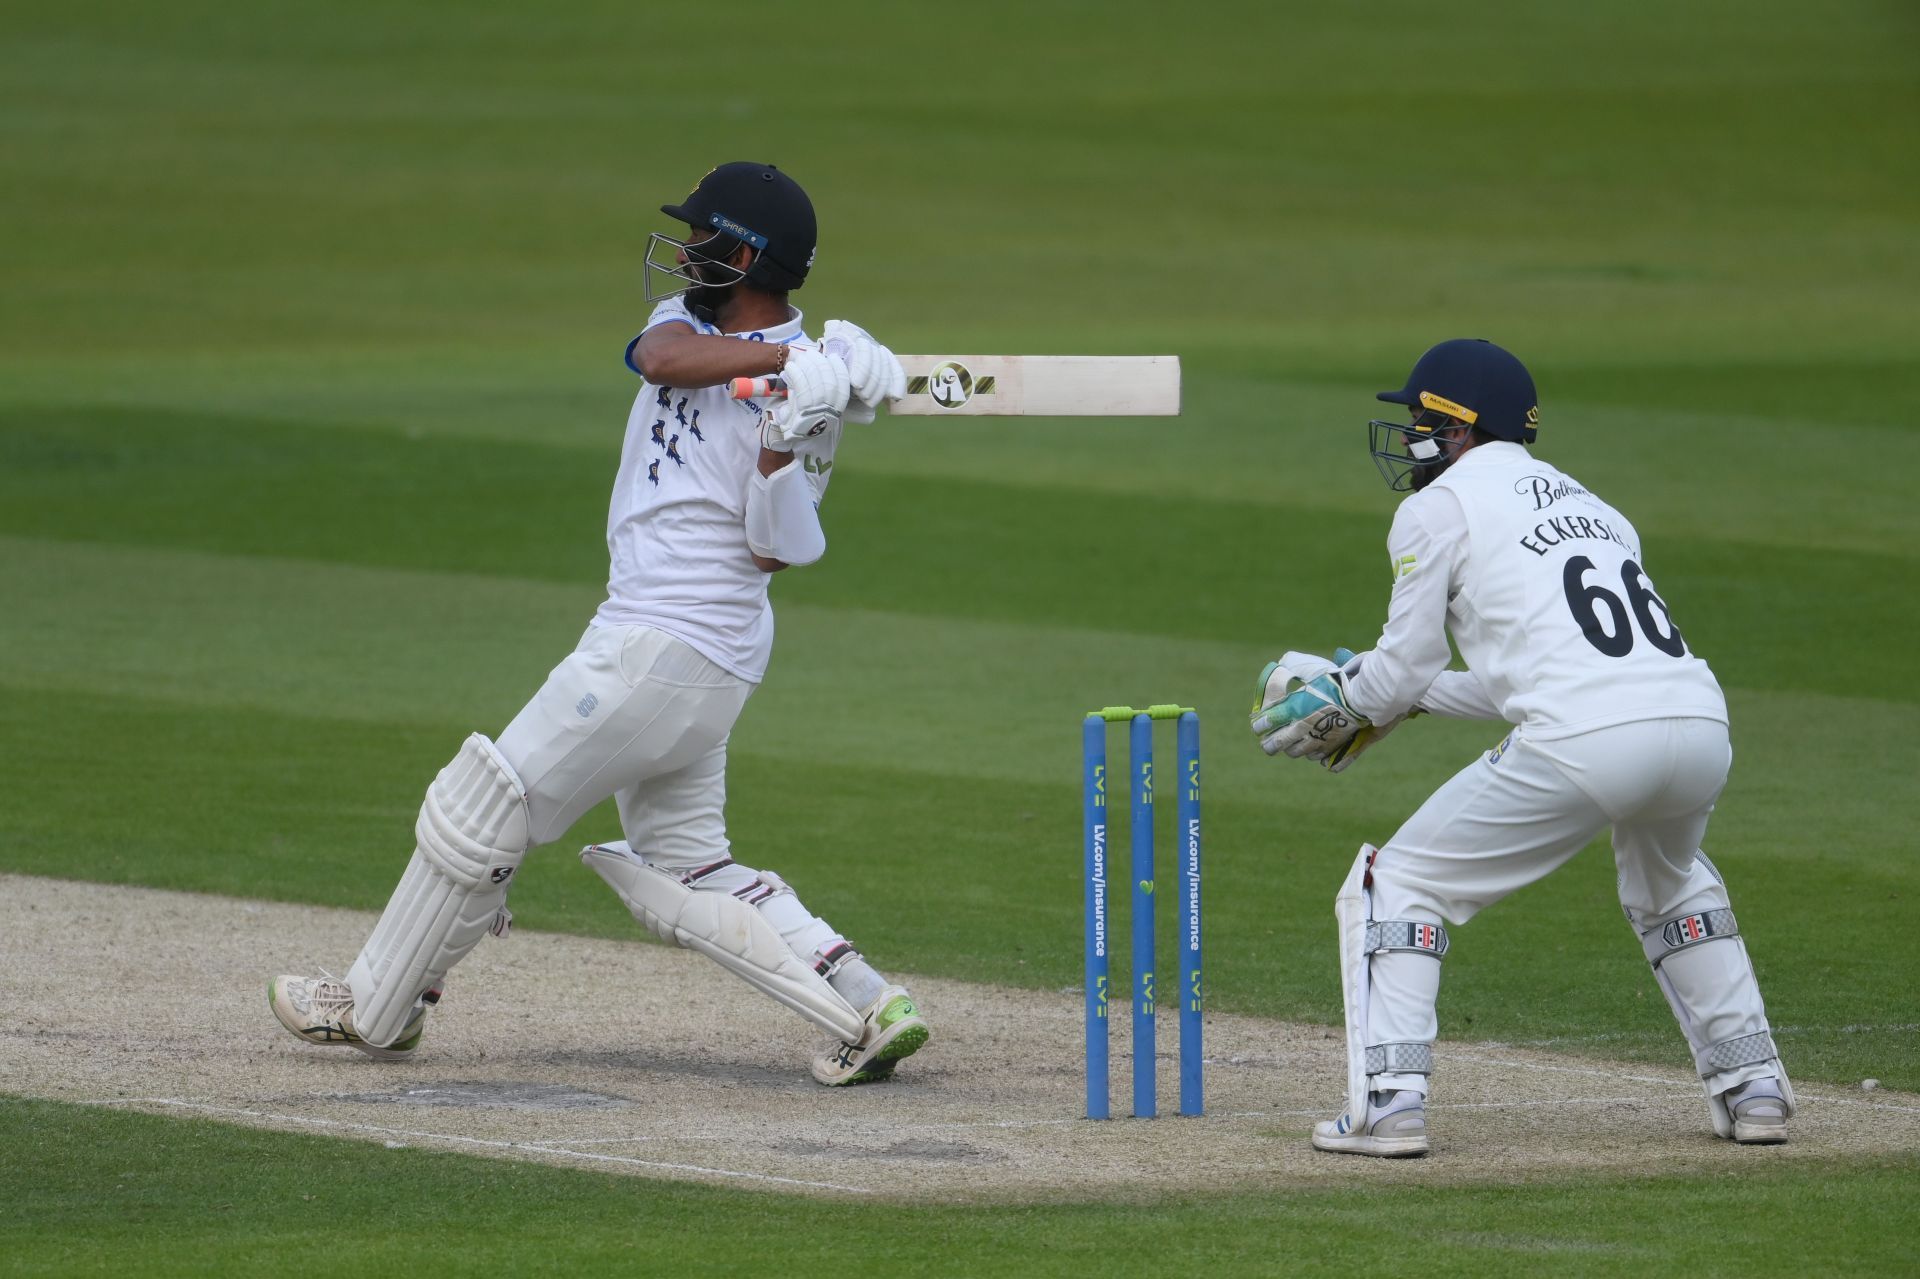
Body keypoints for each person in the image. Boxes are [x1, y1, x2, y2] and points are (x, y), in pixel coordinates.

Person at [269, 161, 928, 1087]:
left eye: (702, 239)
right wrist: (788, 358)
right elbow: (658, 358)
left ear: (743, 253)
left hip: (663, 647)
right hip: (697, 661)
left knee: (483, 807)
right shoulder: (698, 333)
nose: (685, 251)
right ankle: (869, 1003)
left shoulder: (813, 397)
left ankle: (376, 1006)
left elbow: (778, 549)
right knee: (692, 866)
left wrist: (792, 434)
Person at [1250, 338, 1792, 1156]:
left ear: (1461, 427)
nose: (1410, 437)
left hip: (1588, 735)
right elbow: (1508, 682)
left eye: (1423, 419)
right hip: (1699, 725)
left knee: (1399, 880)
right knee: (1671, 883)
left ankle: (1388, 1107)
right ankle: (1756, 1090)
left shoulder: (1436, 508)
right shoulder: (1599, 508)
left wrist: (1345, 703)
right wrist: (1389, 694)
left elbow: (1403, 671)